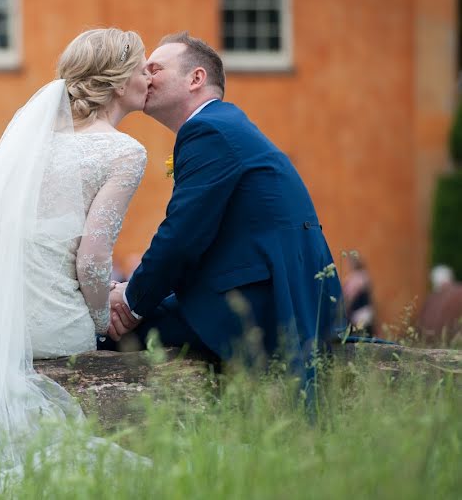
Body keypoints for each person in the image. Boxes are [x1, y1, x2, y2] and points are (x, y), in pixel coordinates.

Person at [0, 28, 150, 486]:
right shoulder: (125, 151)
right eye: (143, 68)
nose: (150, 76)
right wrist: (104, 318)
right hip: (52, 324)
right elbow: (92, 261)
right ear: (120, 83)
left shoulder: (30, 144)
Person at [107, 32, 342, 390]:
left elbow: (182, 237)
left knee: (103, 335)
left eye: (155, 68)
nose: (145, 76)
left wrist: (129, 301)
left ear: (196, 78)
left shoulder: (209, 130)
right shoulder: (223, 125)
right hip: (277, 292)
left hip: (257, 306)